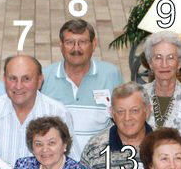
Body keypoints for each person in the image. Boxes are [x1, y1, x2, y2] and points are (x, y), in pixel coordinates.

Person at [42, 20, 122, 157]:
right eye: (69, 42)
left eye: (82, 42)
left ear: (94, 44)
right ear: (61, 45)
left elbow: (123, 118)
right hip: (56, 162)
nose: (76, 48)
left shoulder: (111, 74)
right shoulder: (44, 77)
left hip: (100, 161)